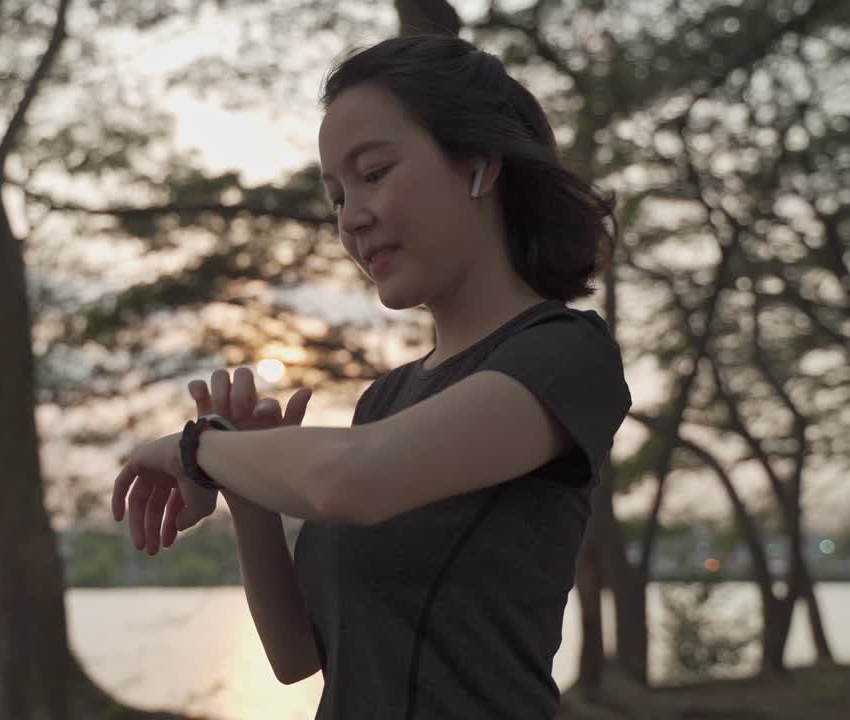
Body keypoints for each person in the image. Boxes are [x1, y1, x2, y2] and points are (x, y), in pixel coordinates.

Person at [112, 34, 632, 720]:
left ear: (479, 164)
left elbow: (350, 480)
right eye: (335, 197)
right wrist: (249, 495)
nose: (351, 219)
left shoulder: (565, 357)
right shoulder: (388, 399)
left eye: (375, 172)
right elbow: (299, 655)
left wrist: (198, 450)